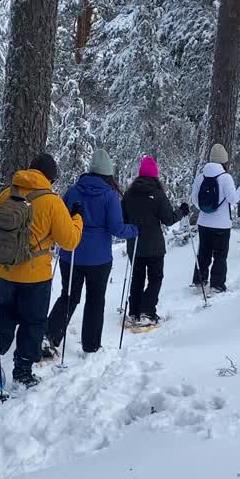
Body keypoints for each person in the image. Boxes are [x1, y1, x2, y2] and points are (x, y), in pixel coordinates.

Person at [0, 153, 83, 387]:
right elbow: (69, 241)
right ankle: (23, 372)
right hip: (35, 275)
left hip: (4, 269)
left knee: (3, 313)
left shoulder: (7, 193)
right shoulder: (52, 201)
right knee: (32, 322)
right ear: (51, 178)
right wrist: (77, 219)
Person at [46, 149, 138, 354]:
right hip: (98, 258)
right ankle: (91, 345)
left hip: (71, 254)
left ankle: (49, 336)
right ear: (108, 173)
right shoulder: (109, 196)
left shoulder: (72, 191)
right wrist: (134, 229)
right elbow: (117, 228)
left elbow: (60, 220)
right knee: (95, 300)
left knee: (68, 296)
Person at [122, 156, 189, 326]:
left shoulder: (129, 195)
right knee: (155, 278)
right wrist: (182, 211)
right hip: (154, 247)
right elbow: (168, 219)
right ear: (155, 176)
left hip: (134, 245)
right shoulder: (158, 195)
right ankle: (147, 311)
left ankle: (134, 312)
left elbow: (123, 219)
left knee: (137, 278)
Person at [189, 143, 240, 293]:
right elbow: (233, 199)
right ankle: (217, 284)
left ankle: (199, 280)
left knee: (203, 252)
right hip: (222, 225)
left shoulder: (200, 177)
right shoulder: (225, 177)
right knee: (220, 256)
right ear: (224, 160)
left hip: (203, 222)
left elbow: (194, 200)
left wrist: (206, 209)